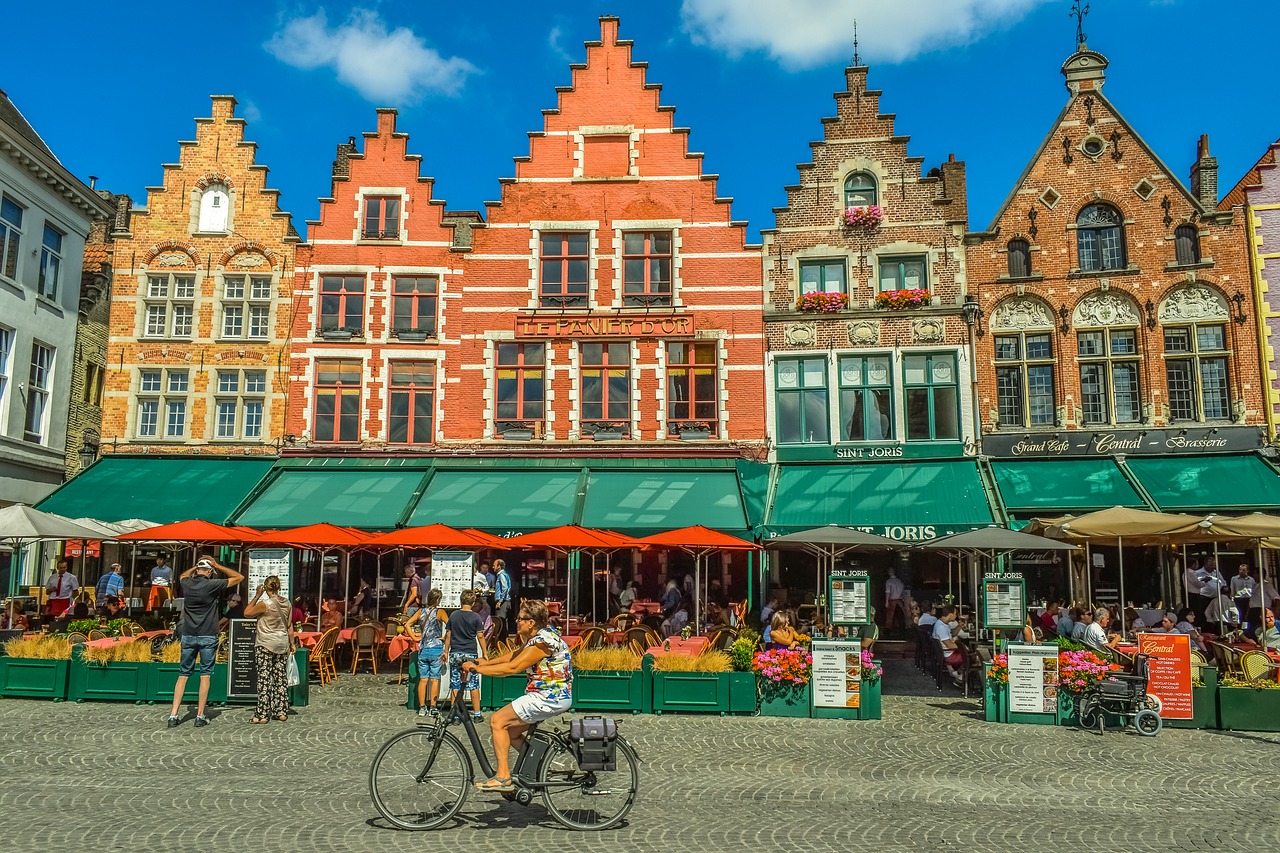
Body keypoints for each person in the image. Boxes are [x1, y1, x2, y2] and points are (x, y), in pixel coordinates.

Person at [460, 600, 572, 792]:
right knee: (511, 732)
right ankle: (538, 763)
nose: (516, 621)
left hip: (548, 697)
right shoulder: (539, 637)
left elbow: (513, 667)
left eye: (521, 618)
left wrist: (479, 670)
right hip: (547, 695)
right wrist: (484, 663)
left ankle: (503, 777)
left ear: (532, 622)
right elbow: (513, 656)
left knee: (498, 721)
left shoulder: (542, 643)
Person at [167, 555, 243, 728]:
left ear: (197, 570)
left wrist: (195, 567)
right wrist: (218, 566)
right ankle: (200, 715)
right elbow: (239, 577)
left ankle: (173, 715)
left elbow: (182, 577)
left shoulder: (187, 584)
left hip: (189, 633)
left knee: (183, 675)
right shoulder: (211, 584)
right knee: (205, 674)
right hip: (208, 634)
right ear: (209, 571)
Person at [243, 575, 295, 724]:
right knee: (280, 678)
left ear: (266, 588)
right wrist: (292, 643)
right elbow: (289, 625)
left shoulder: (265, 604)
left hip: (265, 643)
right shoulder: (287, 603)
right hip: (281, 643)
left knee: (264, 678)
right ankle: (281, 711)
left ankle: (262, 714)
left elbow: (247, 613)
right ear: (278, 587)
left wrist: (257, 595)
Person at [446, 589, 487, 722]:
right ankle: (477, 714)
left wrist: (446, 651)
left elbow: (448, 635)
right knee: (473, 684)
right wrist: (485, 653)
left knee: (455, 684)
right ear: (473, 602)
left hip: (455, 652)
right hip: (470, 653)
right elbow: (480, 636)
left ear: (461, 600)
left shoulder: (453, 615)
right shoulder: (476, 617)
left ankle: (455, 715)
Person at [405, 589, 448, 717]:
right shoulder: (440, 612)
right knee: (435, 680)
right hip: (436, 648)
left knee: (423, 679)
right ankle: (433, 707)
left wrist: (414, 637)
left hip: (423, 649)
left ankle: (422, 707)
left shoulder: (420, 612)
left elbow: (407, 624)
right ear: (438, 600)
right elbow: (450, 624)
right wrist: (445, 638)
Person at [884, 569, 909, 634]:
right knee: (900, 616)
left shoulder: (889, 582)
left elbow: (888, 592)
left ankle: (888, 630)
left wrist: (886, 601)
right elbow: (903, 593)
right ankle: (902, 630)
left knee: (890, 617)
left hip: (892, 600)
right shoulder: (900, 582)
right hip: (900, 601)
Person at [492, 559, 512, 630]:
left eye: (494, 565)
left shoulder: (501, 575)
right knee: (503, 622)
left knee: (500, 621)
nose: (493, 567)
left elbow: (505, 588)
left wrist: (500, 601)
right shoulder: (504, 574)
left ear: (499, 566)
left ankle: (502, 639)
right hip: (505, 600)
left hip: (503, 601)